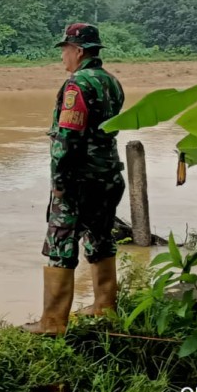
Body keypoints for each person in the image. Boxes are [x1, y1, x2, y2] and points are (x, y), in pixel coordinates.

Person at [23, 23, 126, 335]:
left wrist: (60, 181)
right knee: (101, 238)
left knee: (60, 242)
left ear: (79, 51)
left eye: (65, 50)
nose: (62, 57)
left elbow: (68, 138)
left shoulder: (77, 85)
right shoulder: (111, 81)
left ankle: (52, 323)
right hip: (108, 175)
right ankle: (105, 308)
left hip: (79, 180)